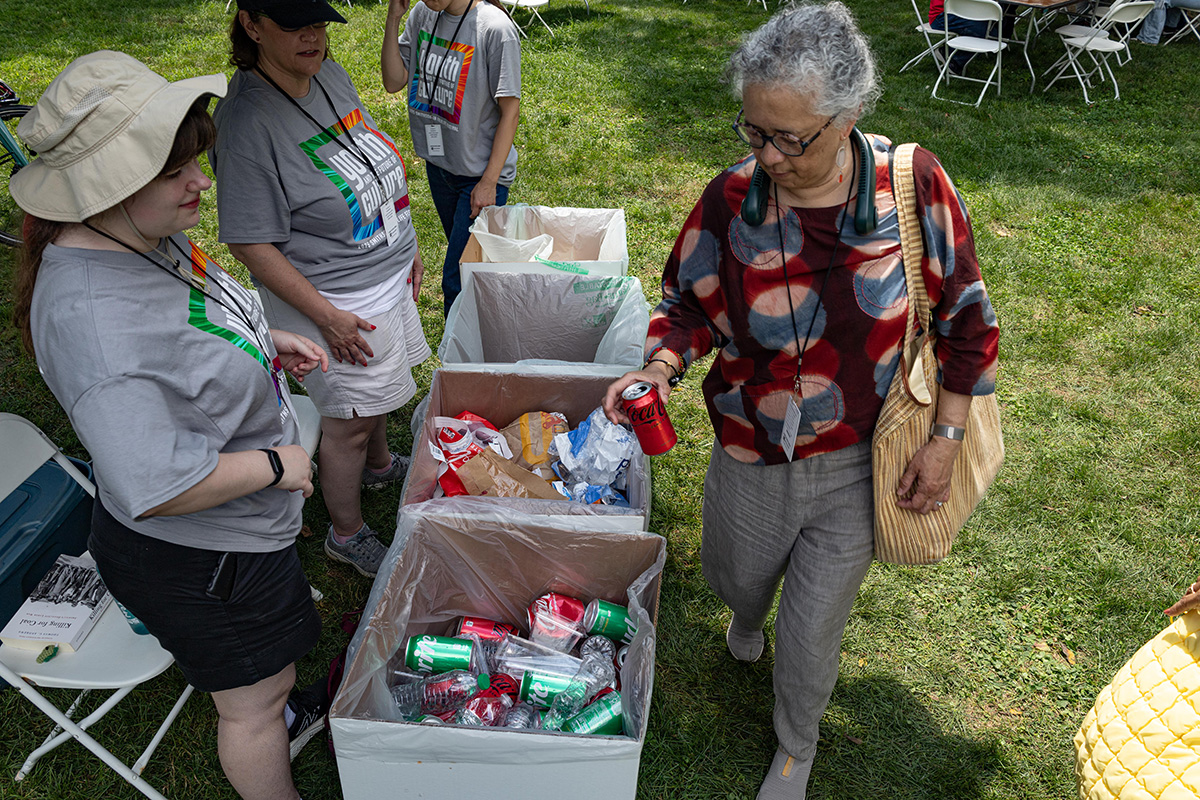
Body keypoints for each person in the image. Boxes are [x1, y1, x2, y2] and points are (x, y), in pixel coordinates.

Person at [602, 4, 999, 798]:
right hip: (750, 443)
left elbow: (968, 322)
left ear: (848, 116)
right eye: (755, 131)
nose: (770, 156)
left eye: (792, 138)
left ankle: (796, 747)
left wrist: (945, 439)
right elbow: (689, 300)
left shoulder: (911, 188)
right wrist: (659, 366)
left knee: (812, 631)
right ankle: (745, 621)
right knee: (736, 580)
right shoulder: (733, 198)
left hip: (860, 456)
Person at [10, 50, 332, 800]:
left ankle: (278, 704)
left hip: (237, 537)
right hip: (203, 556)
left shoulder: (141, 234)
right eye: (173, 170)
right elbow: (156, 482)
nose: (201, 183)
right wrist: (282, 467)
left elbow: (185, 335)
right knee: (252, 706)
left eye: (197, 159)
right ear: (103, 189)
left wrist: (259, 341)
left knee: (273, 675)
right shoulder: (97, 326)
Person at [212, 0, 433, 577]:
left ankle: (380, 466)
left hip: (379, 278)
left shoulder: (324, 72)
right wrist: (327, 317)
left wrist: (404, 249)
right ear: (252, 25)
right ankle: (347, 533)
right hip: (334, 298)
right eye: (292, 25)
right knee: (348, 421)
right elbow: (248, 243)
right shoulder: (246, 124)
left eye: (318, 22)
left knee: (376, 399)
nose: (312, 36)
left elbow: (367, 164)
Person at [382, 0, 521, 316]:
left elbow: (510, 111)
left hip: (478, 176)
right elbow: (393, 81)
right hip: (440, 166)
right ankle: (494, 330)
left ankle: (459, 362)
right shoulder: (422, 14)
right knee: (475, 269)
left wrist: (489, 182)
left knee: (456, 280)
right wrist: (393, 17)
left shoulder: (494, 28)